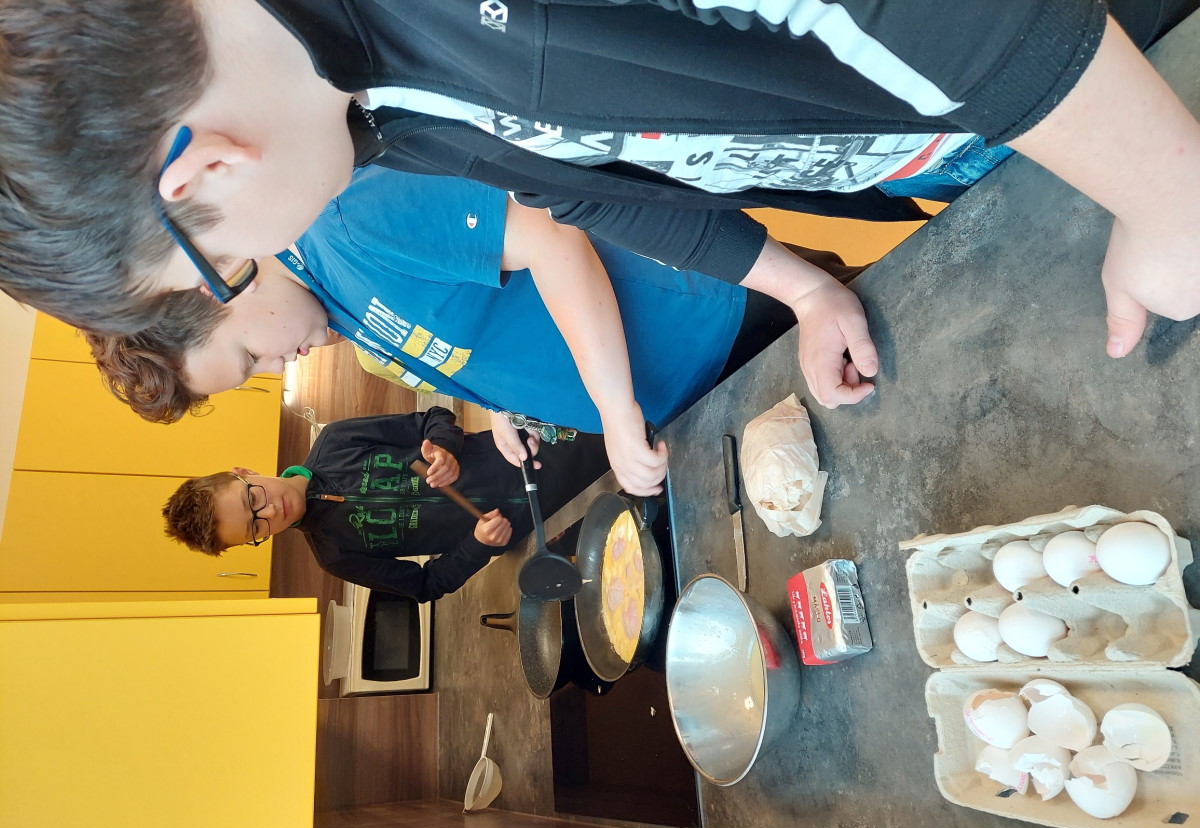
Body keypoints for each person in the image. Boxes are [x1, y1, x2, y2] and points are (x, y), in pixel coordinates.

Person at [4, 2, 1198, 383]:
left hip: (1127, 73)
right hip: (1005, 150)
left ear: (203, 171)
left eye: (216, 265)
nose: (254, 262)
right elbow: (595, 193)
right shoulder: (366, 111)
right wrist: (797, 285)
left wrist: (1171, 193)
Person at [90, 167, 865, 494]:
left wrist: (614, 405)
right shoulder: (331, 306)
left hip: (723, 315)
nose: (275, 367)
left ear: (223, 284)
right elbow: (462, 317)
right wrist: (497, 401)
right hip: (689, 391)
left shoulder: (350, 220)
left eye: (249, 357)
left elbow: (551, 238)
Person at [161, 408, 610, 603]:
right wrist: (477, 545)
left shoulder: (337, 441)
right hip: (542, 525)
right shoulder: (335, 556)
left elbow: (433, 418)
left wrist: (444, 448)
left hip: (531, 449)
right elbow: (426, 585)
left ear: (245, 472)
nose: (270, 513)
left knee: (628, 427)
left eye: (253, 499)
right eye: (255, 528)